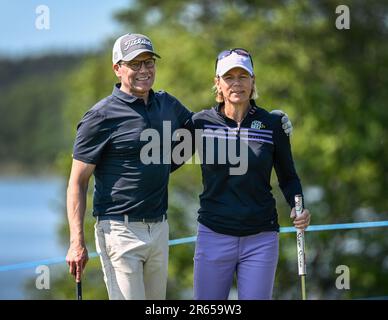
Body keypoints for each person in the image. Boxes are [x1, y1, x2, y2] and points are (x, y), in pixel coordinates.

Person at [65, 33, 293, 300]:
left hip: (159, 228)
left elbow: (208, 125)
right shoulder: (100, 116)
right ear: (117, 68)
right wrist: (76, 242)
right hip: (118, 229)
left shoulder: (167, 104)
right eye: (134, 64)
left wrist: (271, 119)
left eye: (148, 62)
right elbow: (77, 182)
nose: (143, 70)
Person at [181, 48, 311, 300]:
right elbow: (165, 164)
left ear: (253, 81)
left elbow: (289, 177)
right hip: (213, 234)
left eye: (243, 76)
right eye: (229, 77)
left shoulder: (272, 124)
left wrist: (300, 206)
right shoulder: (200, 123)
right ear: (217, 83)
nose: (237, 83)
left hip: (261, 239)